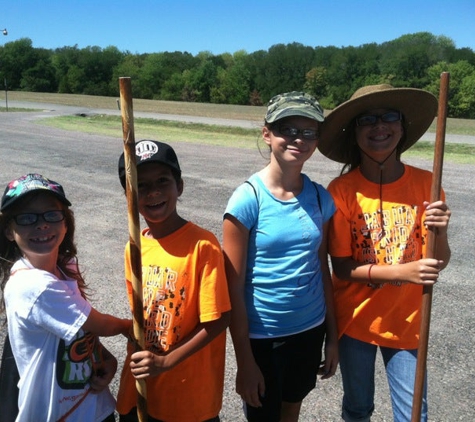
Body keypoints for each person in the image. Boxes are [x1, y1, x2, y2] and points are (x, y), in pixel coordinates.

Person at [318, 84, 452, 422]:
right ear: (354, 133)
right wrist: (400, 273)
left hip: (407, 323)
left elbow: (437, 262)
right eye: (367, 120)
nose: (380, 127)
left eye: (390, 117)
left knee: (412, 415)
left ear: (403, 128)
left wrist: (441, 231)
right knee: (358, 407)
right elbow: (343, 269)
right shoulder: (342, 191)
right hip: (355, 321)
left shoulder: (428, 183)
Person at [222, 92, 339, 422]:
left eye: (309, 131)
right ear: (267, 133)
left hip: (310, 329)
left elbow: (322, 269)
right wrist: (244, 361)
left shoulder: (320, 197)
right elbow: (234, 287)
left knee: (292, 407)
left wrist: (332, 337)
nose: (299, 139)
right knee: (264, 415)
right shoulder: (248, 200)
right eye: (288, 129)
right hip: (263, 338)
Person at [0, 173, 132, 422]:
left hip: (92, 407)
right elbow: (97, 324)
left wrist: (106, 358)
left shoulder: (65, 267)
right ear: (9, 230)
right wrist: (129, 327)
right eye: (27, 218)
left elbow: (78, 328)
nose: (41, 224)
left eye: (52, 214)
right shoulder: (32, 284)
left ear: (65, 223)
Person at [116, 140, 231, 422]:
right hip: (142, 388)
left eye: (162, 181)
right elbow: (140, 317)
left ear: (179, 186)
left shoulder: (202, 245)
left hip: (188, 397)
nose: (153, 192)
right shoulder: (134, 249)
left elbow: (218, 320)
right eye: (140, 185)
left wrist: (166, 361)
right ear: (128, 194)